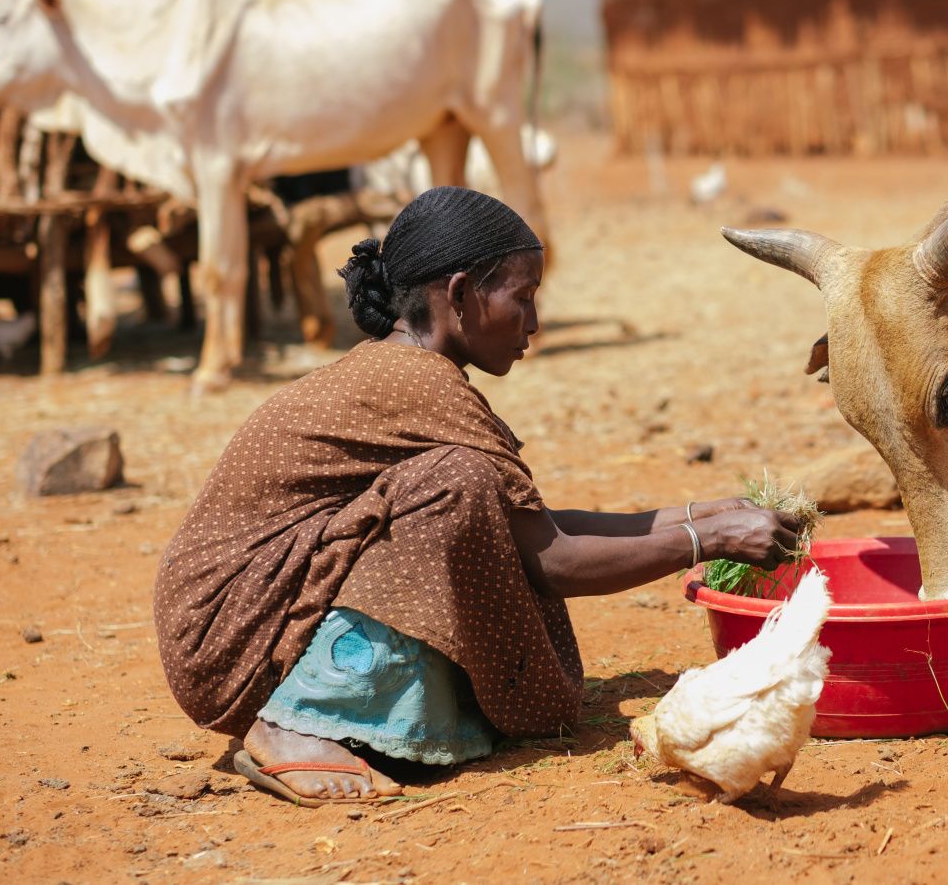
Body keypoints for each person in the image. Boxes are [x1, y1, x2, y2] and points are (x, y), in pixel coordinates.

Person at [152, 186, 799, 806]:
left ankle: (353, 705)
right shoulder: (421, 384)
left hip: (236, 616)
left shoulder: (409, 371)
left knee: (470, 489)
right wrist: (704, 540)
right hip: (224, 632)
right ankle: (303, 721)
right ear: (460, 295)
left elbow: (527, 526)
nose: (536, 322)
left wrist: (702, 511)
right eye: (522, 297)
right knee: (457, 485)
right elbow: (552, 559)